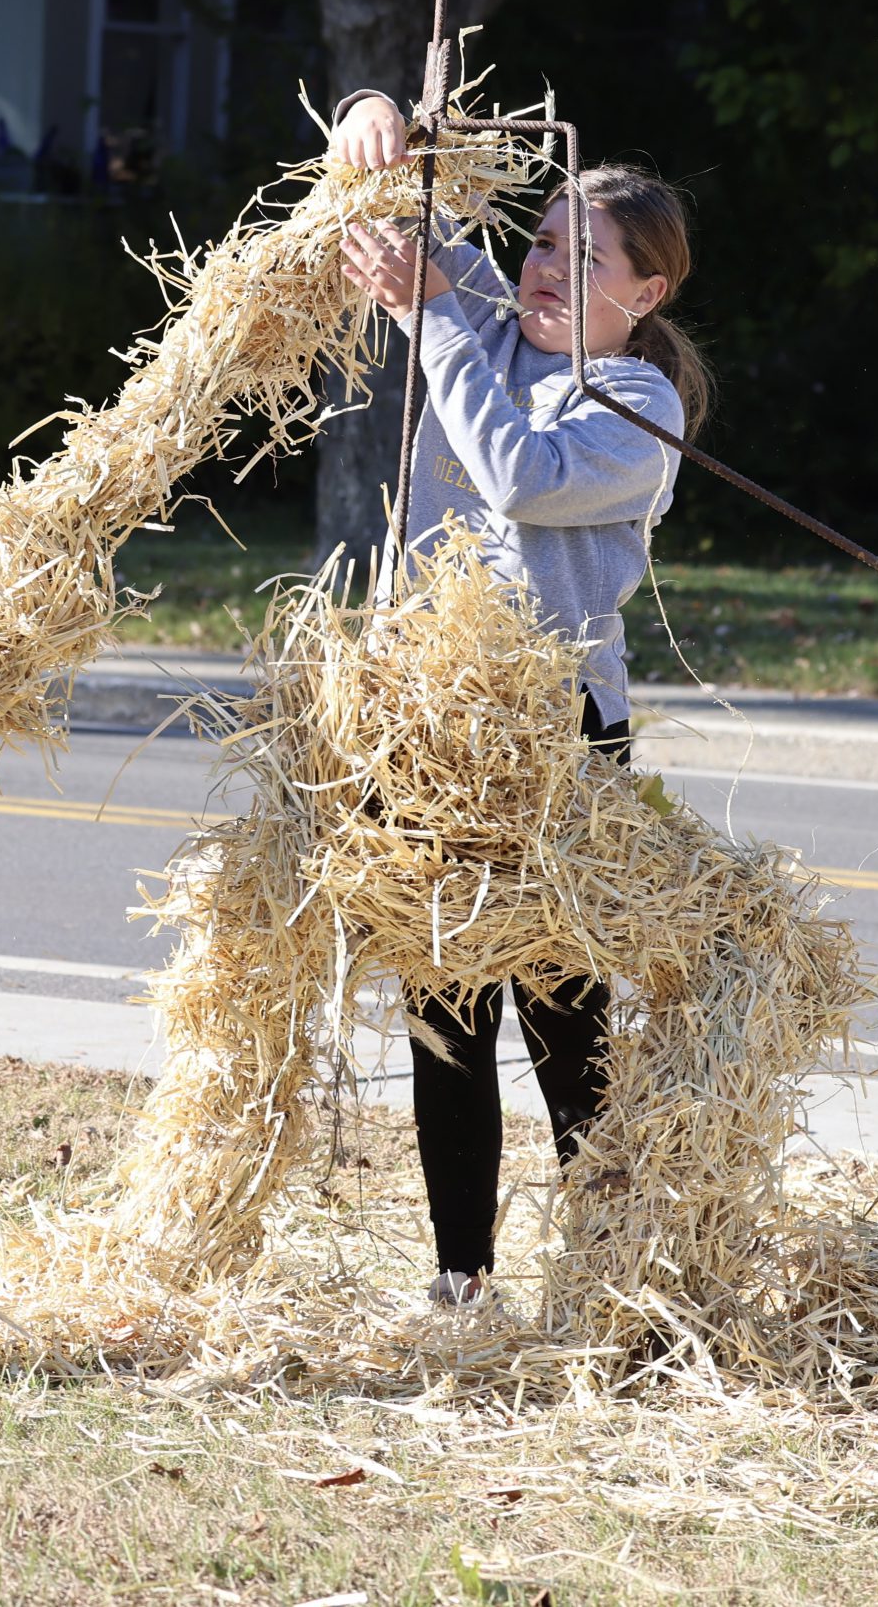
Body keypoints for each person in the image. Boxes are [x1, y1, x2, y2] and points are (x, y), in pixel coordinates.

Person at [331, 91, 713, 1305]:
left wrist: (441, 317)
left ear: (643, 297)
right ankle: (461, 1281)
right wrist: (375, 114)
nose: (542, 268)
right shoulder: (486, 321)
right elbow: (384, 202)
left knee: (563, 1011)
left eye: (579, 257)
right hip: (436, 724)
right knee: (444, 1006)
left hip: (557, 726)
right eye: (540, 241)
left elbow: (516, 473)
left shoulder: (637, 409)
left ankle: (609, 1278)